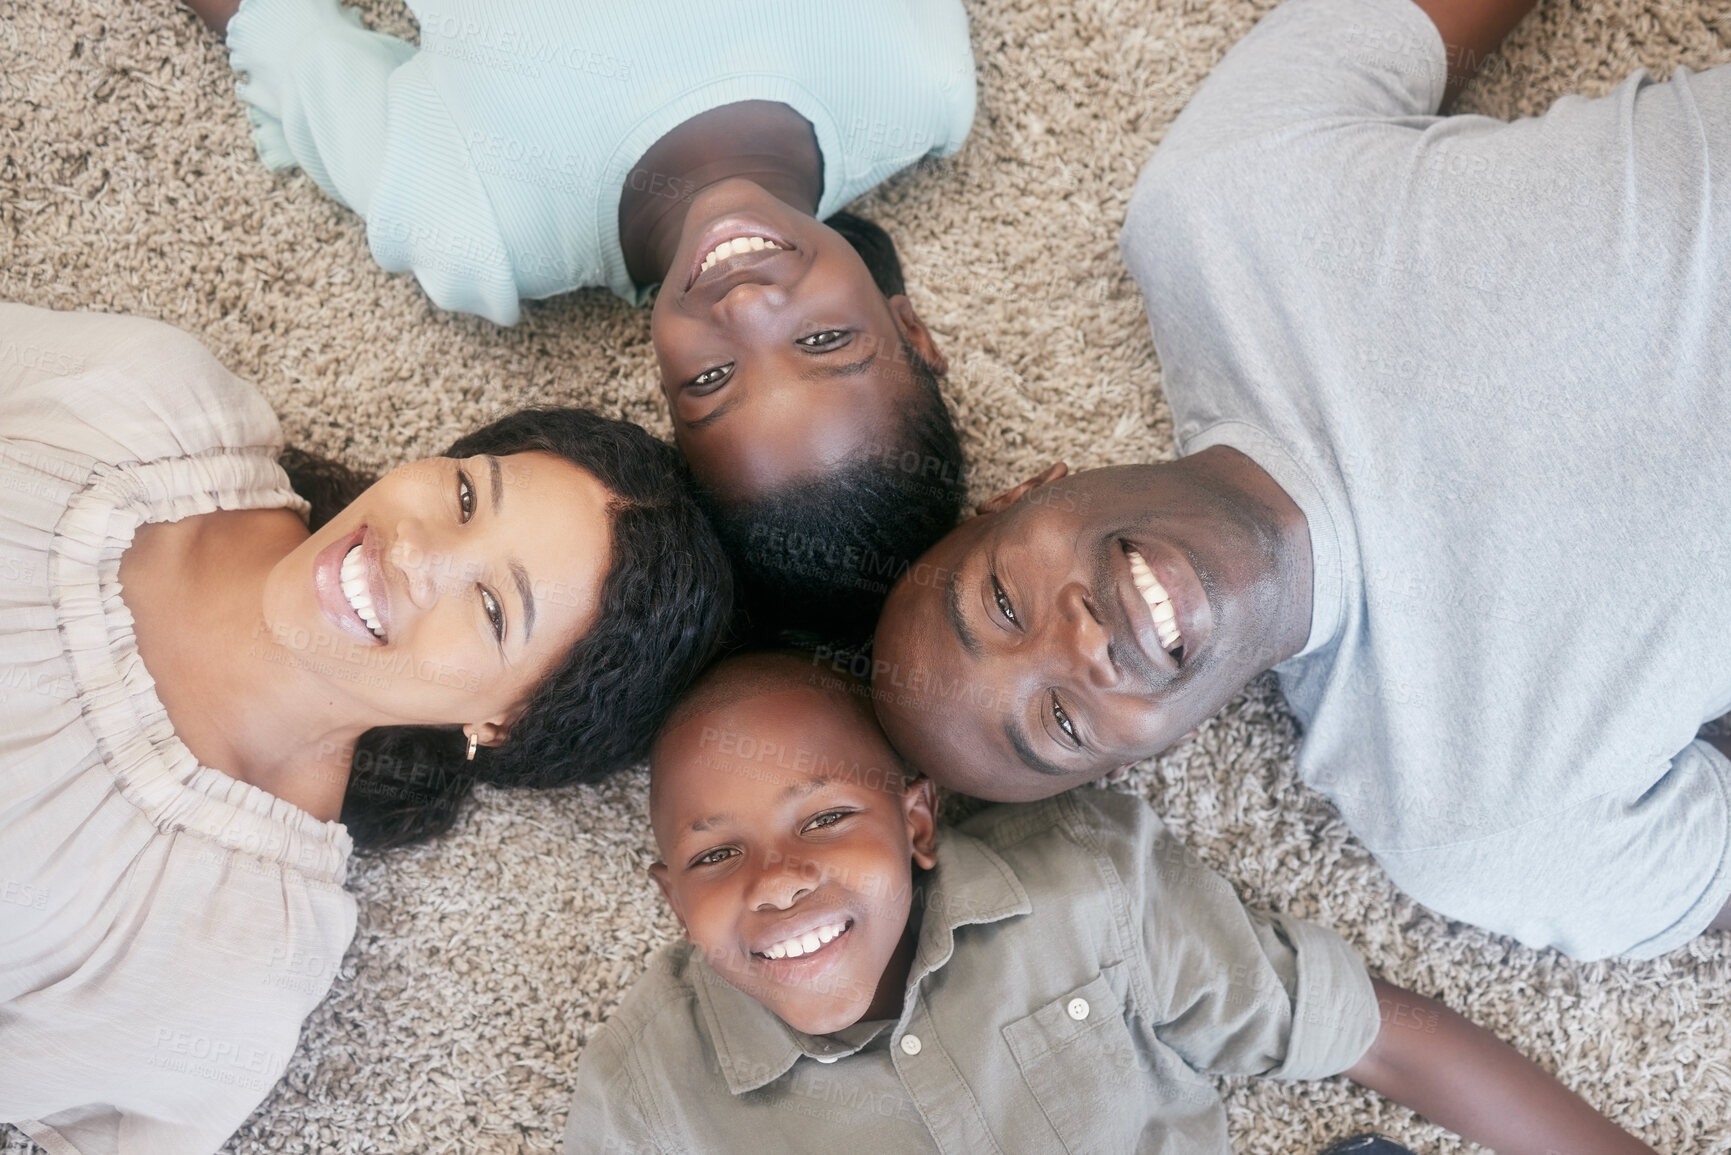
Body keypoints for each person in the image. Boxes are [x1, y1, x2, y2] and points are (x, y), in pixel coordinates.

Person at [867, 0, 1731, 962]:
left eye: (998, 601)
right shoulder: (1477, 826)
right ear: (1157, 747)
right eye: (1061, 719)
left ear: (1024, 489)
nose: (1081, 642)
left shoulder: (1214, 210)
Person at [0, 302, 731, 1154]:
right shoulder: (154, 406)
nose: (416, 554)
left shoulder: (224, 945)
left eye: (493, 608)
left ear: (499, 721)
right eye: (466, 494)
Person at [564, 652, 1657, 1154]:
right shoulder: (648, 1094)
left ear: (917, 822)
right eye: (714, 858)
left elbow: (1376, 1036)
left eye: (821, 820)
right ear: (669, 898)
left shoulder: (1082, 893)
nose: (777, 880)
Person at [180, 0, 974, 644]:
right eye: (824, 341)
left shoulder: (476, 226)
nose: (744, 308)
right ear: (912, 331)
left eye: (711, 379)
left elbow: (279, 31)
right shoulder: (915, 79)